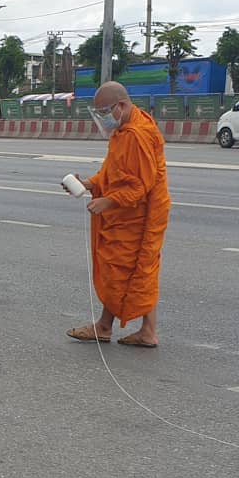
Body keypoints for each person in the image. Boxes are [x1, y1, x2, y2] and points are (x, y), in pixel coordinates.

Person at [66, 82, 171, 348]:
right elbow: (113, 172)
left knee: (128, 267)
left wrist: (108, 201)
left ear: (121, 105)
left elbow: (139, 187)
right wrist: (89, 184)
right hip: (129, 213)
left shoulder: (137, 134)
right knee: (134, 269)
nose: (102, 118)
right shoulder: (123, 130)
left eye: (104, 111)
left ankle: (110, 326)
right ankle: (136, 329)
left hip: (141, 214)